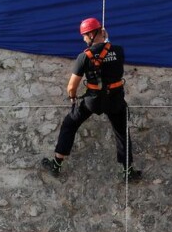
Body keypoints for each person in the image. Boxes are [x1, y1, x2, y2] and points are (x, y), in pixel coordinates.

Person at [41, 18, 141, 180]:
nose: (84, 39)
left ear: (92, 34)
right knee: (122, 132)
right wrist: (105, 38)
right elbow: (111, 54)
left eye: (85, 35)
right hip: (115, 100)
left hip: (92, 101)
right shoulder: (119, 50)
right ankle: (127, 171)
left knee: (69, 124)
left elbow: (72, 87)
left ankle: (56, 165)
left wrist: (73, 98)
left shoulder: (84, 57)